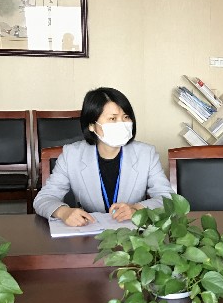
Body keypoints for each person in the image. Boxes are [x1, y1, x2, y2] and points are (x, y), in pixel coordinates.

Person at [33, 87, 174, 226]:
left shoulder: (146, 154)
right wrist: (63, 212)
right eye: (113, 118)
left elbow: (168, 198)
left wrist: (136, 209)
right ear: (91, 125)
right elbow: (44, 198)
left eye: (126, 117)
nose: (122, 124)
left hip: (131, 232)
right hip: (88, 231)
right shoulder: (71, 155)